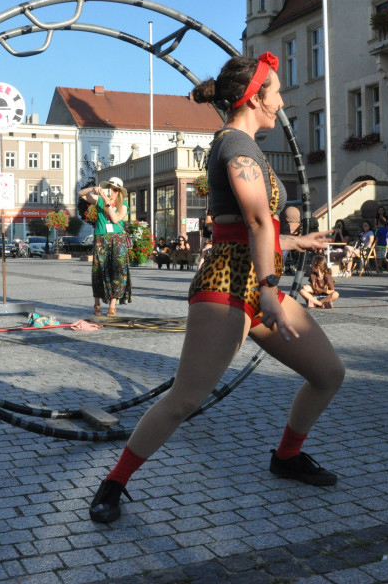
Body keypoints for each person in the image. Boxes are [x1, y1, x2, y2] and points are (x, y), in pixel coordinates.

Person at [88, 53, 344, 523]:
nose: (282, 101)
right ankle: (114, 482)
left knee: (328, 374)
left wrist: (296, 240)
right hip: (228, 284)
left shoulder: (247, 146)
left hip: (253, 279)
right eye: (277, 92)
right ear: (254, 97)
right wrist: (269, 287)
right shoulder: (236, 147)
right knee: (185, 398)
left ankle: (287, 456)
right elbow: (255, 219)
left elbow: (252, 227)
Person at [79, 176, 132, 316]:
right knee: (99, 270)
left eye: (115, 189)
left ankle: (112, 306)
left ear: (119, 192)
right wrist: (94, 189)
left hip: (117, 239)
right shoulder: (99, 200)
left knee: (117, 271)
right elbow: (81, 194)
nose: (112, 191)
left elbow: (115, 219)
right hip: (101, 237)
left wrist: (107, 202)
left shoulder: (124, 204)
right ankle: (96, 304)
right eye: (110, 188)